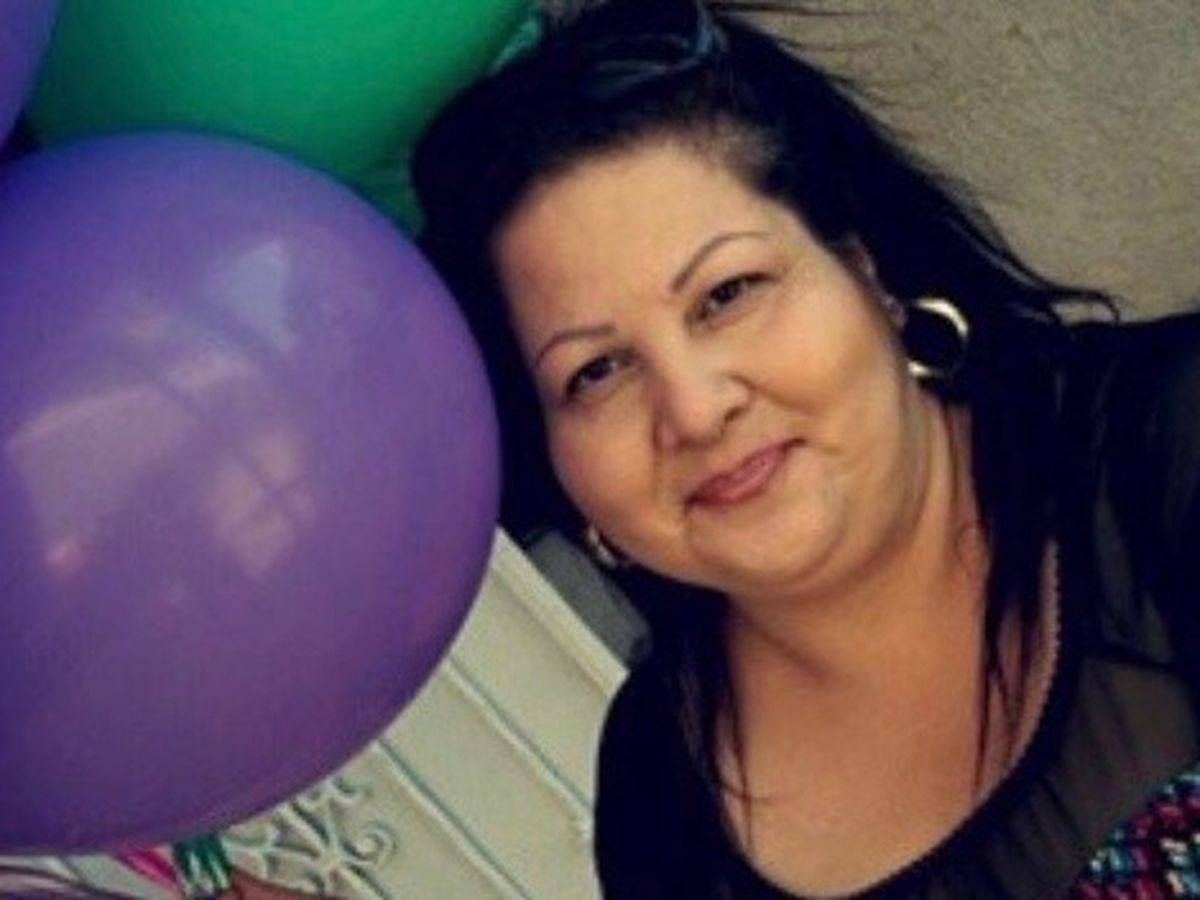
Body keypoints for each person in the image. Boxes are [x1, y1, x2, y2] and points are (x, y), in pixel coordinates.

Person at [412, 0, 1200, 897]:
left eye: (728, 294)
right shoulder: (659, 792)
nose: (694, 410)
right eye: (596, 373)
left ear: (866, 270)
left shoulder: (1164, 440)